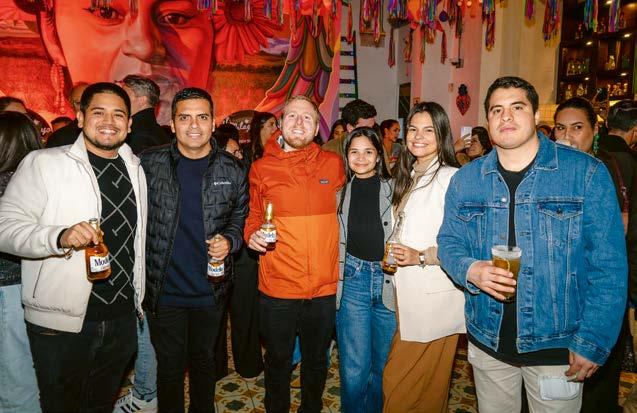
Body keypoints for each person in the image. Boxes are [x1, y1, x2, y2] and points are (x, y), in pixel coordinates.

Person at [437, 76, 627, 413]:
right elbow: (448, 242)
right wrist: (471, 270)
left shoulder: (585, 173)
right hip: (488, 338)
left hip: (558, 345)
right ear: (488, 120)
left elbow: (608, 266)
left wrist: (593, 339)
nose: (506, 116)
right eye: (497, 110)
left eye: (517, 107)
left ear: (537, 115)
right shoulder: (466, 179)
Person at [0, 82, 148, 412]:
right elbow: (5, 228)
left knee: (100, 404)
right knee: (61, 405)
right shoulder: (44, 163)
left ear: (129, 124)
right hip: (60, 322)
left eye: (118, 114)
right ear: (80, 117)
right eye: (98, 112)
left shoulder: (136, 168)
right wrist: (59, 236)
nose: (108, 121)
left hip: (122, 317)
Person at [141, 87, 249, 412]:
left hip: (210, 289)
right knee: (170, 367)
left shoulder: (232, 168)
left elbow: (240, 217)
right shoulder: (148, 163)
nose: (193, 125)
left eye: (202, 117)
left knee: (204, 363)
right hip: (164, 289)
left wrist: (230, 240)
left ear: (213, 122)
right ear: (172, 123)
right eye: (184, 117)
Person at [245, 95, 345, 413]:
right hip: (278, 287)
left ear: (316, 128)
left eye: (306, 118)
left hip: (324, 287)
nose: (299, 123)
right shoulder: (261, 168)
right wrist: (251, 235)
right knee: (277, 360)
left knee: (317, 360)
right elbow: (253, 216)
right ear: (280, 123)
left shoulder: (334, 164)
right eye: (291, 116)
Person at [381, 102, 465, 413]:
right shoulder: (409, 174)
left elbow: (468, 241)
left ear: (442, 135)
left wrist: (421, 256)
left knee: (398, 385)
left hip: (434, 297)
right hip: (406, 292)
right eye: (413, 129)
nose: (418, 136)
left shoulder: (452, 177)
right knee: (428, 389)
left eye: (428, 130)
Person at [553, 96, 635, 413]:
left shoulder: (611, 167)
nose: (567, 136)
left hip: (600, 287)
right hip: (561, 293)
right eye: (560, 128)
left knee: (596, 384)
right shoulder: (547, 169)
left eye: (577, 128)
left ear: (594, 130)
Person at [335, 127, 394, 413]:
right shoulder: (338, 193)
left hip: (389, 281)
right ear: (346, 156)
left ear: (379, 155)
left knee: (383, 366)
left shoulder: (396, 190)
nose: (361, 158)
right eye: (354, 152)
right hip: (353, 281)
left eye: (368, 151)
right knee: (354, 368)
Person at [212, 122, 264, 381]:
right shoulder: (207, 180)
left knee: (246, 311)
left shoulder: (247, 176)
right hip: (216, 252)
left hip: (244, 253)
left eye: (240, 152)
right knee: (215, 313)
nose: (239, 156)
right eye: (233, 153)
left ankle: (249, 364)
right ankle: (215, 367)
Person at [0, 111, 42, 413]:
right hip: (32, 284)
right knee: (22, 365)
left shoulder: (8, 185)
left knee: (14, 371)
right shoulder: (39, 181)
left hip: (8, 286)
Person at [121, 75, 171, 154]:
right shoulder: (160, 133)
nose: (119, 100)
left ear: (142, 100)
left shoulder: (137, 135)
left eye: (124, 96)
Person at [45, 82, 88, 148]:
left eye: (89, 102)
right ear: (71, 104)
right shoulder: (58, 139)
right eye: (79, 103)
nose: (85, 107)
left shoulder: (104, 131)